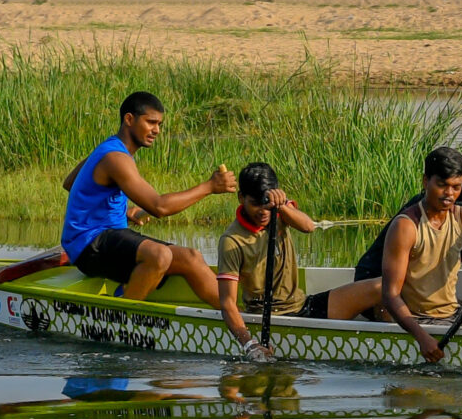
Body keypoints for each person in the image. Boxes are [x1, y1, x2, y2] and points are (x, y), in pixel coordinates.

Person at [59, 90, 253, 346]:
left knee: (192, 258)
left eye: (159, 124)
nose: (157, 130)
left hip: (107, 237)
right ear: (129, 119)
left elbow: (71, 182)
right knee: (159, 256)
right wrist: (209, 187)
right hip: (86, 246)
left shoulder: (109, 149)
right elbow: (159, 207)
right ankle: (119, 320)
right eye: (151, 122)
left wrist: (123, 210)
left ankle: (240, 323)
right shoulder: (115, 158)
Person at [307, 147, 462, 363]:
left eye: (456, 187)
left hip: (454, 312)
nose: (449, 194)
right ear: (425, 181)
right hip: (419, 318)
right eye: (442, 186)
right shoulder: (405, 226)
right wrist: (422, 338)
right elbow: (390, 296)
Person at [214, 162, 318, 319]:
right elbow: (228, 303)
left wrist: (280, 205)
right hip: (266, 315)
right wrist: (249, 343)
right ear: (241, 198)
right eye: (256, 204)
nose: (263, 211)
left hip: (300, 305)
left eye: (266, 204)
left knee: (369, 289)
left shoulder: (281, 212)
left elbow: (308, 226)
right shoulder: (231, 240)